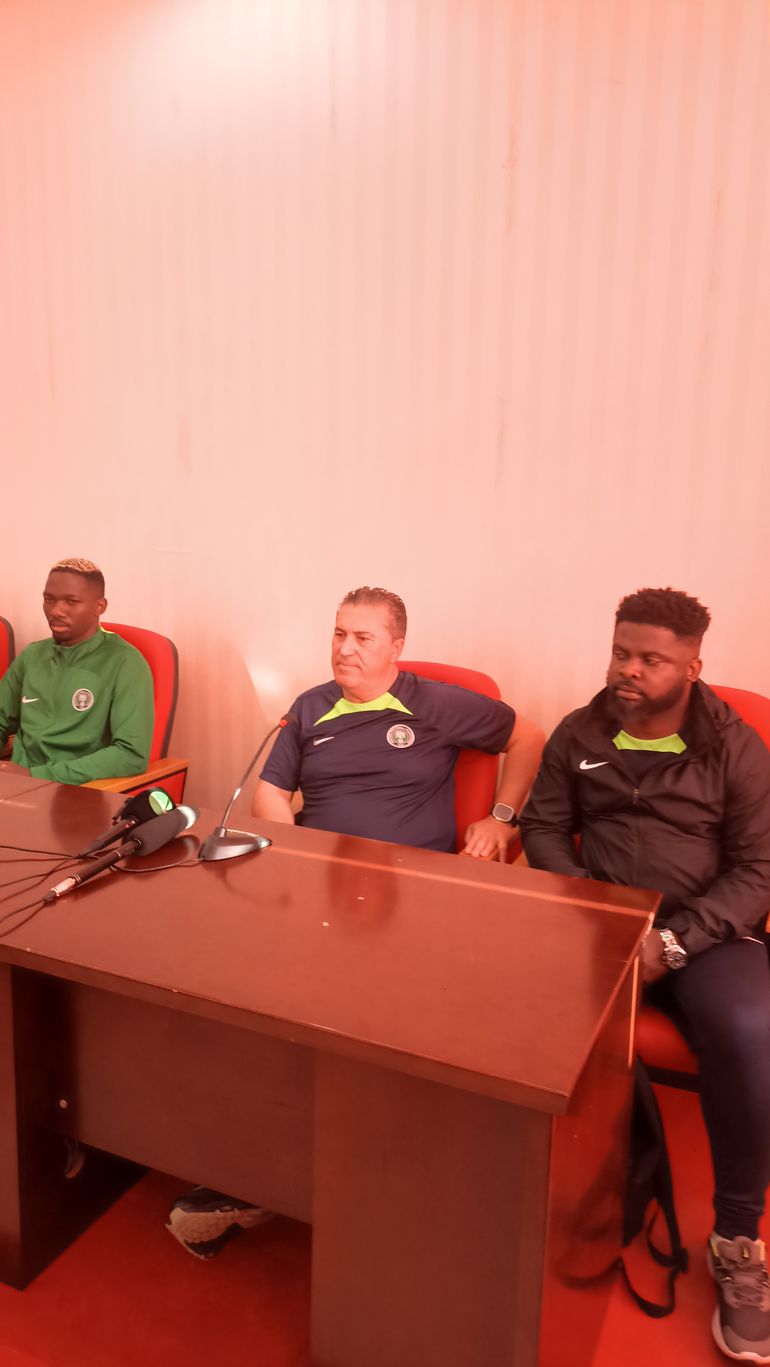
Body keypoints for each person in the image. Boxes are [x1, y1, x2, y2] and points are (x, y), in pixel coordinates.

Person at [166, 585, 544, 1259]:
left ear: (397, 646)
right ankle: (256, 1162)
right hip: (321, 892)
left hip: (411, 900)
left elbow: (530, 736)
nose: (344, 648)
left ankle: (348, 1179)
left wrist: (501, 818)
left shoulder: (437, 703)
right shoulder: (310, 707)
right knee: (240, 994)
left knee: (360, 1022)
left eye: (362, 637)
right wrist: (299, 857)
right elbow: (270, 793)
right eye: (338, 633)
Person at [519, 587, 770, 1365]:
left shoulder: (736, 746)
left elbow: (758, 869)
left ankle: (737, 1239)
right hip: (600, 923)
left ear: (692, 666)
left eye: (650, 659)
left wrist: (674, 940)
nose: (629, 669)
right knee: (505, 1009)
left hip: (705, 931)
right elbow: (543, 825)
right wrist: (593, 906)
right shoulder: (580, 730)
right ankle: (541, 1200)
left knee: (751, 1031)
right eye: (621, 651)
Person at [0, 558, 154, 785]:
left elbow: (131, 755)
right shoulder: (32, 655)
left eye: (71, 601)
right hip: (17, 784)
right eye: (49, 599)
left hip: (76, 790)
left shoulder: (126, 663)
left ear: (99, 607)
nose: (56, 611)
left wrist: (37, 776)